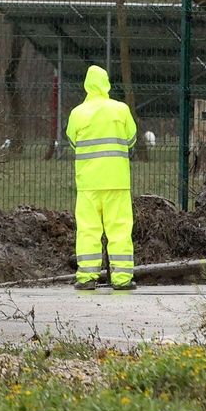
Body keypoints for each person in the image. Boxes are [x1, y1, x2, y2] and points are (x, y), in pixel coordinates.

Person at [66, 65, 137, 291]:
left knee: (88, 229)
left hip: (88, 184)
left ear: (86, 85)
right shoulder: (121, 110)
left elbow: (72, 142)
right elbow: (132, 140)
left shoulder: (77, 113)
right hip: (117, 182)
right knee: (120, 229)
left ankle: (87, 278)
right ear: (106, 83)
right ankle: (122, 278)